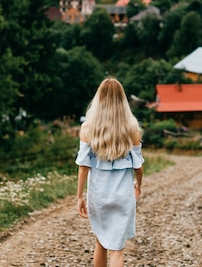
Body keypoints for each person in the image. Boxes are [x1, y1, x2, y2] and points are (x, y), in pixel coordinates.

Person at [76, 77, 144, 267]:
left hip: (98, 195)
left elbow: (83, 167)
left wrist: (79, 196)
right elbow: (138, 166)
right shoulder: (132, 129)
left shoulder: (88, 128)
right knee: (117, 250)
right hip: (123, 195)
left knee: (100, 240)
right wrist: (138, 184)